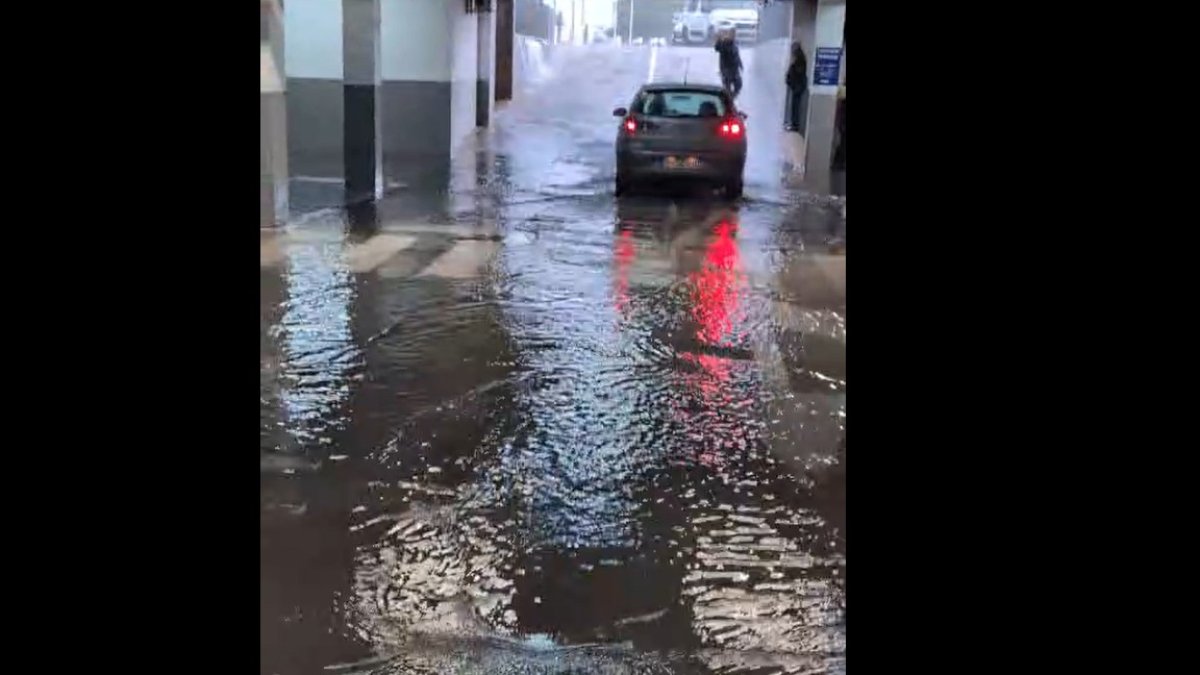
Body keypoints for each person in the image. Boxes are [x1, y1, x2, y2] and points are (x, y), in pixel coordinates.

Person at [785, 41, 808, 132]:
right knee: (794, 107)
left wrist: (792, 67)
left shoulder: (799, 59)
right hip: (796, 87)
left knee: (796, 107)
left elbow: (799, 72)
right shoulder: (798, 59)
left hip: (797, 87)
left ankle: (795, 125)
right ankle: (793, 124)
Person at [714, 29, 743, 99]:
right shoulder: (723, 44)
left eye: (734, 35)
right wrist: (718, 40)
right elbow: (717, 48)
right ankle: (728, 99)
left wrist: (740, 64)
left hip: (734, 70)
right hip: (726, 70)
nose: (733, 36)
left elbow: (737, 55)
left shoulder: (734, 44)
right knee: (727, 87)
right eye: (731, 34)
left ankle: (731, 97)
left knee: (738, 84)